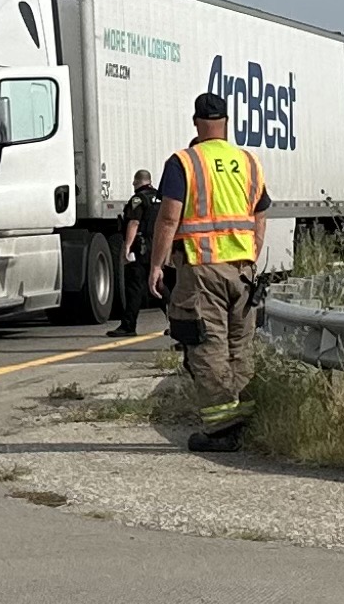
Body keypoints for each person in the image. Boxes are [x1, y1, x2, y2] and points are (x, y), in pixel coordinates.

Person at [148, 93, 272, 453]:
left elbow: (170, 217)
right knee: (240, 345)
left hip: (202, 270)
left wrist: (156, 265)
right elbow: (260, 213)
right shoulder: (248, 161)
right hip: (243, 271)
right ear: (227, 122)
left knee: (207, 345)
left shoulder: (184, 162)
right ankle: (244, 418)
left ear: (196, 123)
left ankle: (220, 430)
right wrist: (252, 252)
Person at [107, 169, 161, 337]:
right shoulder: (160, 198)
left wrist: (127, 247)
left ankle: (128, 326)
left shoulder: (138, 199)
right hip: (158, 246)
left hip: (142, 248)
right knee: (161, 287)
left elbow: (134, 223)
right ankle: (178, 323)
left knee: (135, 288)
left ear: (137, 182)